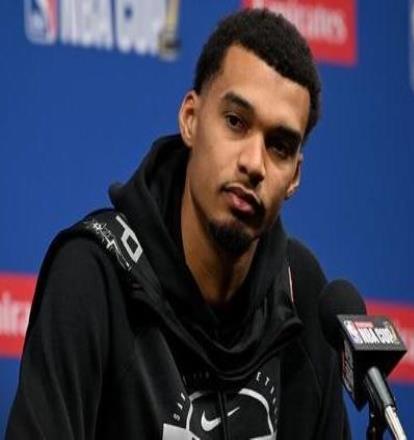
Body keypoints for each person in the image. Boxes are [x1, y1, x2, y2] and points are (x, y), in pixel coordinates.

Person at [6, 8, 350, 440]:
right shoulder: (95, 274)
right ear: (191, 119)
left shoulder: (301, 291)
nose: (253, 163)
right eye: (235, 122)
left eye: (279, 146)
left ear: (295, 177)